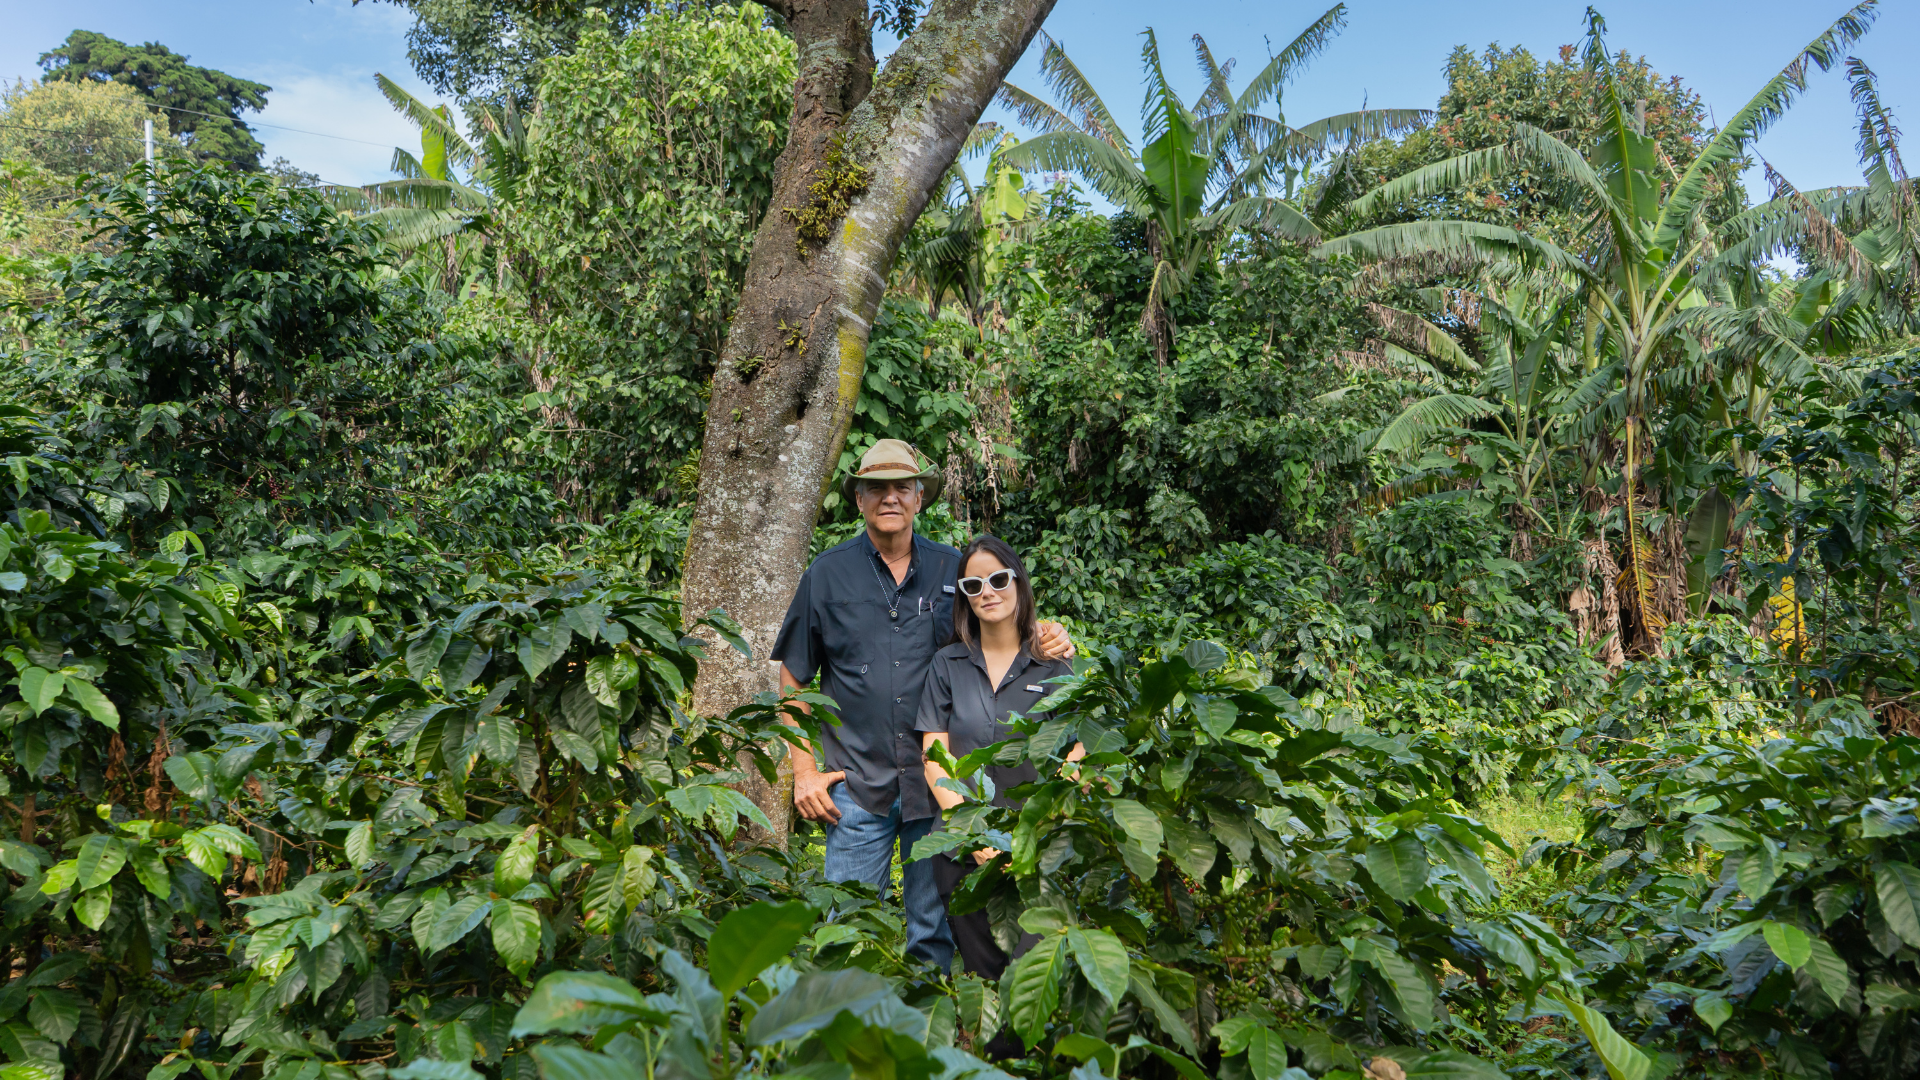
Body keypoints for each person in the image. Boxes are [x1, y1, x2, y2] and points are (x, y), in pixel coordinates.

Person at [769, 439, 1072, 971]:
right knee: (844, 932)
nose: (890, 497)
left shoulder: (953, 570)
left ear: (918, 498)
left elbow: (1002, 618)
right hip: (855, 785)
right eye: (876, 488)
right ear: (859, 499)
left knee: (934, 936)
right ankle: (843, 1038)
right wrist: (804, 772)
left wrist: (1047, 634)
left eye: (901, 487)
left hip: (936, 789)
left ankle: (925, 1038)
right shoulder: (827, 574)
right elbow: (794, 678)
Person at [916, 533, 1082, 983]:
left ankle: (1028, 1055)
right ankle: (990, 1056)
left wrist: (1035, 836)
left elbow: (1075, 755)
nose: (987, 591)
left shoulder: (1054, 666)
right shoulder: (947, 664)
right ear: (965, 599)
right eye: (973, 585)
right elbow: (935, 756)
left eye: (998, 579)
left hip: (1035, 849)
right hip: (960, 850)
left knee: (1032, 971)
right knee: (982, 974)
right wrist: (975, 836)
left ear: (1018, 582)